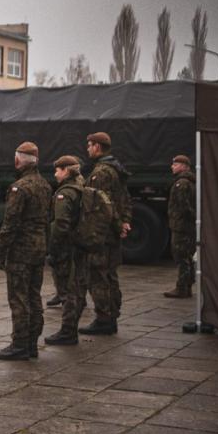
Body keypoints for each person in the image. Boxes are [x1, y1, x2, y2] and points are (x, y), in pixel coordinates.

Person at [0, 142, 50, 359]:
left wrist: (1, 251)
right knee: (34, 296)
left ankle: (19, 344)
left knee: (18, 298)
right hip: (38, 248)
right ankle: (32, 344)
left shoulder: (20, 187)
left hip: (21, 251)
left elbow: (10, 224)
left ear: (18, 160)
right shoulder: (45, 185)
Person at [80, 131, 131, 335]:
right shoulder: (117, 169)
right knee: (111, 274)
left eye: (90, 145)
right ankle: (113, 314)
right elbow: (125, 198)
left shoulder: (100, 173)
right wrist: (125, 221)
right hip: (112, 233)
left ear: (98, 147)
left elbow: (103, 205)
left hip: (101, 234)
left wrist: (117, 225)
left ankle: (104, 318)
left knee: (98, 276)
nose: (87, 148)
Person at [44, 155, 88, 346]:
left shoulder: (65, 193)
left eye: (58, 169)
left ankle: (68, 331)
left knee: (68, 291)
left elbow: (60, 224)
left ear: (66, 171)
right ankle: (70, 330)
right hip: (80, 244)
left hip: (67, 248)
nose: (55, 173)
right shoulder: (82, 187)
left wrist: (52, 249)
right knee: (77, 288)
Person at [163, 154, 196, 299]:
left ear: (184, 166)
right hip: (186, 225)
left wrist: (180, 220)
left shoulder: (181, 183)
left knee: (181, 256)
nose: (172, 166)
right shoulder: (190, 182)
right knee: (187, 256)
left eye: (175, 164)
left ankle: (182, 288)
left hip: (181, 226)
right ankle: (187, 285)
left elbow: (184, 206)